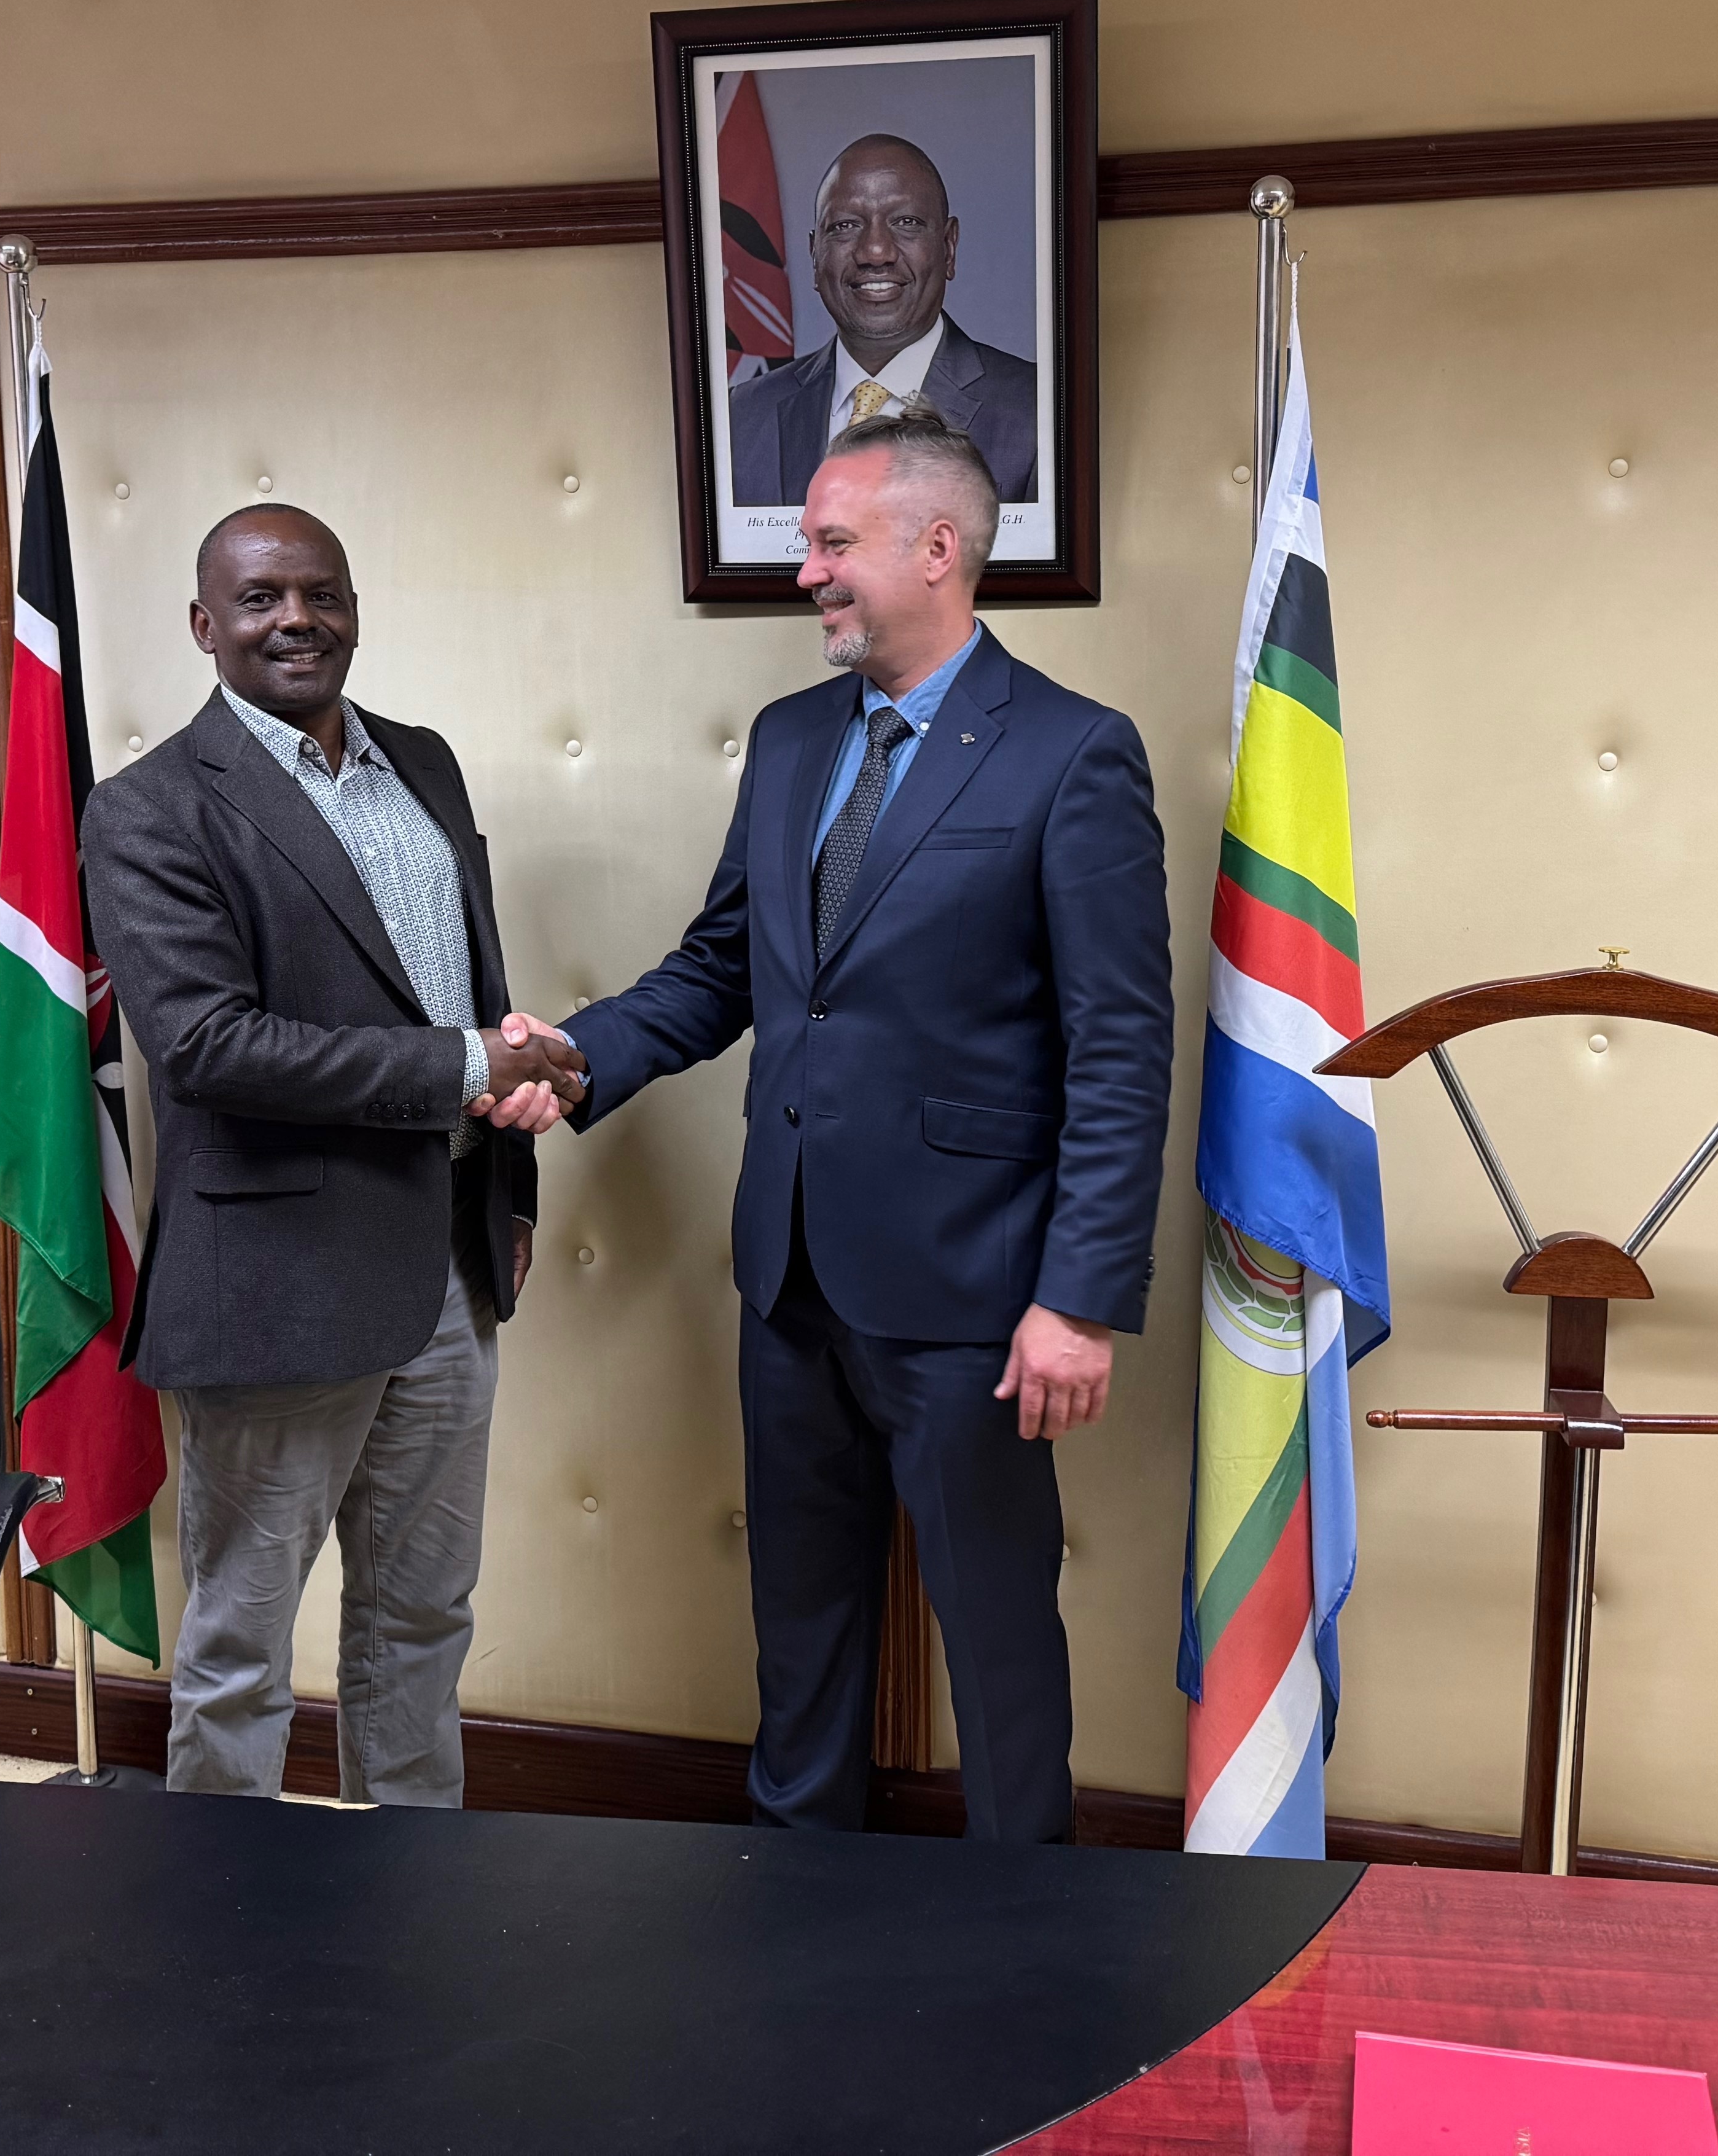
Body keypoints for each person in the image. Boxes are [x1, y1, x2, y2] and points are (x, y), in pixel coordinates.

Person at [509, 413, 1169, 1842]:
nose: (805, 572)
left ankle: (1025, 1929)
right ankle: (795, 1914)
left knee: (998, 1646)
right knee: (800, 1639)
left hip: (977, 1297)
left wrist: (1078, 1298)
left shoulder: (1075, 754)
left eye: (829, 543)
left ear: (937, 548)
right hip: (789, 1278)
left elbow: (1120, 1049)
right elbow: (723, 969)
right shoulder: (794, 738)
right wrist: (577, 1056)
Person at [84, 503, 588, 1803]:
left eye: (322, 592)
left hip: (453, 1266)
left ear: (355, 609)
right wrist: (469, 1068)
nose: (296, 618)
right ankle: (224, 1907)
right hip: (279, 1281)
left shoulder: (423, 762)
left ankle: (409, 1890)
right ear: (204, 625)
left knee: (423, 1619)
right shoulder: (147, 810)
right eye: (260, 598)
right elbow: (211, 1047)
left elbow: (470, 991)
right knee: (241, 1652)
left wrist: (512, 1183)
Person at [730, 133, 1040, 507]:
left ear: (948, 248)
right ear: (815, 255)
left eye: (906, 222)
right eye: (845, 226)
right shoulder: (740, 417)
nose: (875, 252)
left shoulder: (1038, 410)